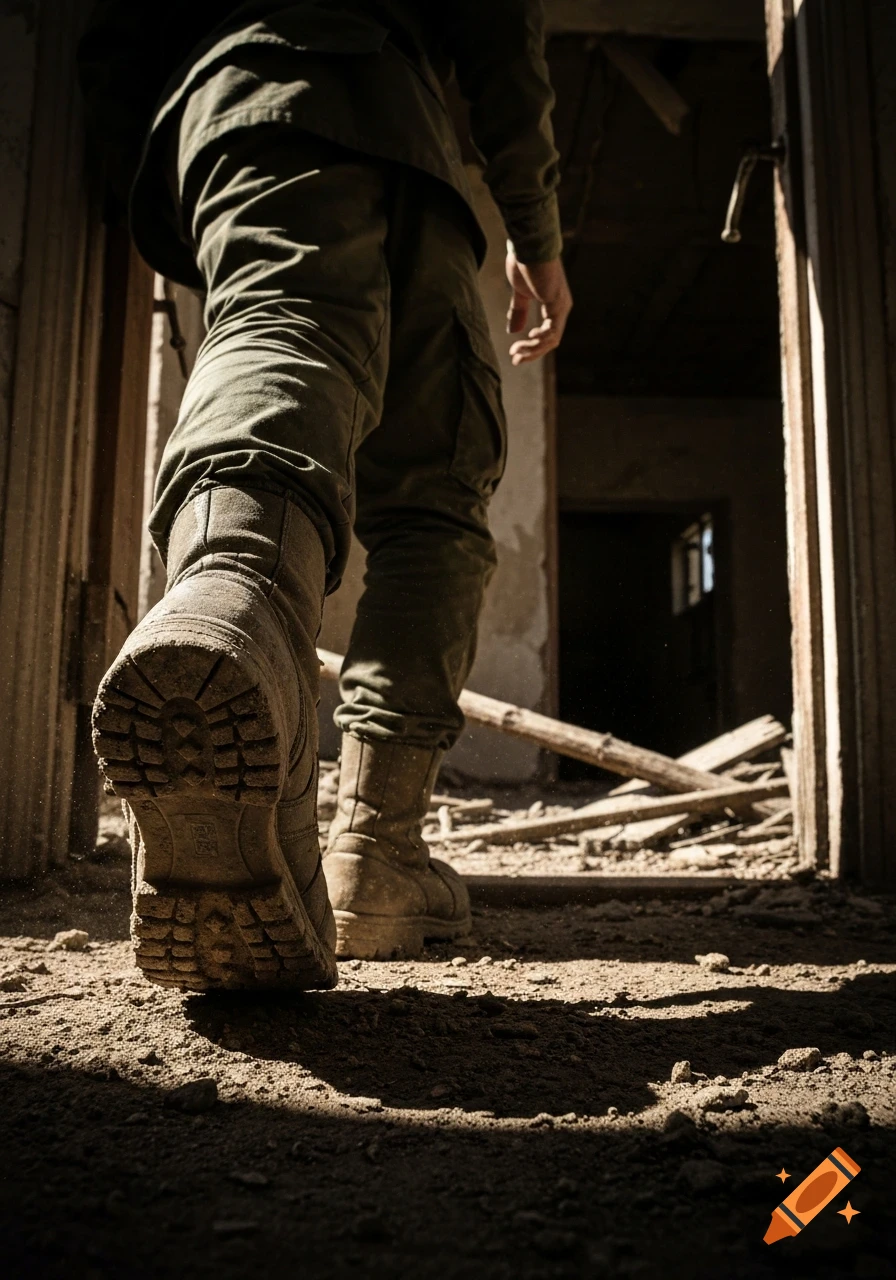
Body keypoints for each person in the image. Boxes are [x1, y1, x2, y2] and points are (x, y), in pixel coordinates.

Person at [80, 0, 573, 991]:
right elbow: (500, 32)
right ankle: (376, 852)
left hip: (246, 100)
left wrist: (127, 185)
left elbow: (112, 36)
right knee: (435, 491)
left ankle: (227, 600)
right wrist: (535, 231)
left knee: (281, 341)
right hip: (409, 131)